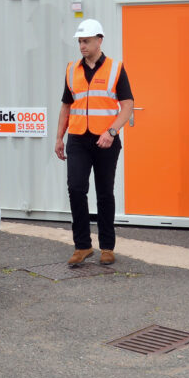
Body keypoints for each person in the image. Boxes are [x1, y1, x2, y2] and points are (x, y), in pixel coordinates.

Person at [54, 18, 134, 266]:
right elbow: (66, 106)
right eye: (80, 41)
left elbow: (128, 105)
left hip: (106, 141)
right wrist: (59, 136)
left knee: (104, 193)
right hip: (77, 139)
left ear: (99, 40)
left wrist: (111, 132)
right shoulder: (71, 69)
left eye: (86, 41)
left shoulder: (115, 68)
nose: (82, 46)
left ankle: (107, 247)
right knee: (76, 189)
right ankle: (82, 246)